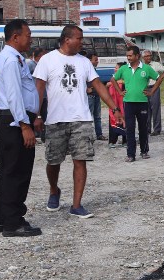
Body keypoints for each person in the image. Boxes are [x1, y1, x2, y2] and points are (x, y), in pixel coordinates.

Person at [33, 25, 122, 219]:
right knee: (53, 161)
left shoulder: (84, 62)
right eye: (79, 38)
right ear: (67, 39)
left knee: (80, 160)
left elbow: (97, 85)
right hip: (56, 120)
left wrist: (115, 108)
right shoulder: (47, 60)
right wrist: (37, 115)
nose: (83, 42)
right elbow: (39, 89)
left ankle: (76, 204)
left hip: (81, 119)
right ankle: (54, 190)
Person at [0, 19, 41, 237]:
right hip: (15, 122)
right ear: (15, 37)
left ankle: (3, 219)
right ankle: (13, 222)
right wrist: (25, 126)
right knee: (17, 172)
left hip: (11, 120)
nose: (30, 38)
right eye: (27, 34)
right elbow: (14, 95)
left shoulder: (12, 58)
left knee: (7, 171)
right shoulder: (11, 60)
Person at [111, 46, 164, 162]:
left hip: (142, 102)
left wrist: (152, 91)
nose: (128, 58)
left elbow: (159, 78)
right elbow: (113, 79)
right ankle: (131, 154)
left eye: (130, 56)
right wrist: (120, 92)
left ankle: (144, 151)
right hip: (129, 103)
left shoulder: (146, 68)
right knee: (130, 129)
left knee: (143, 128)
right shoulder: (124, 68)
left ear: (137, 56)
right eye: (127, 56)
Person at [142, 50, 164, 136]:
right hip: (144, 89)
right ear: (143, 57)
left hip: (154, 87)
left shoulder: (155, 64)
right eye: (147, 56)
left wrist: (160, 78)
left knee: (155, 108)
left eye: (150, 55)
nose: (149, 57)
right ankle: (147, 128)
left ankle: (157, 129)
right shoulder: (141, 66)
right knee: (146, 109)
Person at [85, 53, 107, 141]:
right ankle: (88, 136)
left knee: (97, 116)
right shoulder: (85, 70)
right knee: (89, 117)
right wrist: (86, 89)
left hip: (96, 95)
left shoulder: (94, 70)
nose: (97, 62)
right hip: (90, 96)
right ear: (89, 60)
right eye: (95, 60)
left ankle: (99, 134)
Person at [107, 62, 126, 147]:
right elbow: (106, 86)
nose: (115, 69)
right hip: (113, 105)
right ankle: (112, 141)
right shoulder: (112, 79)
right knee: (112, 120)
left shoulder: (125, 80)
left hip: (123, 105)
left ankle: (125, 140)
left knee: (125, 120)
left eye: (116, 68)